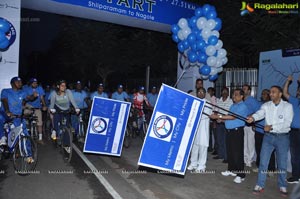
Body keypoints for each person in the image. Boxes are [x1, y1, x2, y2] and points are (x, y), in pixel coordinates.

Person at [247, 86, 293, 197]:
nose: (271, 94)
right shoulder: (266, 105)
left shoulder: (288, 106)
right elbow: (260, 113)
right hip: (268, 137)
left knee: (282, 163)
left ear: (280, 94)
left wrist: (271, 127)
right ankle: (260, 184)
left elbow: (287, 123)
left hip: (283, 137)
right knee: (263, 162)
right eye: (270, 92)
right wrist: (253, 118)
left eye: (273, 92)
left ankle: (282, 185)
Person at [211, 88, 248, 184]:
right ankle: (231, 170)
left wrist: (218, 116)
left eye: (236, 94)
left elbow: (233, 117)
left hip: (237, 132)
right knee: (230, 152)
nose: (233, 96)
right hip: (229, 132)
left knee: (237, 153)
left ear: (241, 96)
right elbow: (229, 118)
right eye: (233, 94)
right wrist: (221, 120)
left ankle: (241, 174)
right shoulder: (232, 105)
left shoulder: (243, 106)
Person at [0, 77, 34, 163]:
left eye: (20, 81)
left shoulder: (22, 92)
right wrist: (7, 111)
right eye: (17, 81)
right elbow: (4, 100)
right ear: (12, 83)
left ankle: (27, 156)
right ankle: (2, 139)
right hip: (6, 114)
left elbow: (28, 98)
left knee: (24, 133)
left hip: (17, 116)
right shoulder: (5, 91)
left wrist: (33, 96)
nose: (20, 83)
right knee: (0, 118)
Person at [187, 87, 212, 172]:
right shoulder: (194, 102)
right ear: (197, 93)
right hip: (195, 129)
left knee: (203, 147)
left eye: (202, 92)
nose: (201, 93)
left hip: (203, 130)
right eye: (199, 92)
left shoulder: (208, 103)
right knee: (194, 146)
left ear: (205, 94)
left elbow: (205, 115)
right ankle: (193, 163)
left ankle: (201, 166)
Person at [253, 89, 276, 174]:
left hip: (268, 132)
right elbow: (256, 115)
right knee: (259, 150)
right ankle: (259, 166)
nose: (263, 95)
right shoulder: (260, 104)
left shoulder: (272, 105)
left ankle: (271, 169)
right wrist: (254, 124)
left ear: (269, 95)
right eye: (262, 94)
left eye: (265, 94)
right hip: (259, 130)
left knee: (270, 151)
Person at [283, 75, 300, 184]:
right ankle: (296, 176)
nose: (298, 91)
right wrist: (288, 82)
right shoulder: (295, 101)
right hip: (294, 132)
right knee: (295, 156)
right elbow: (285, 93)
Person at [24, 78, 47, 144]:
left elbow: (42, 98)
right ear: (31, 83)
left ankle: (40, 138)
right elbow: (27, 98)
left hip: (37, 107)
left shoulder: (40, 88)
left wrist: (44, 105)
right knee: (25, 117)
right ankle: (26, 135)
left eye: (36, 83)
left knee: (40, 123)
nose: (35, 84)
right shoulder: (26, 89)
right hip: (28, 106)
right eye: (34, 83)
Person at [242, 84, 260, 167]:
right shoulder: (241, 100)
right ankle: (245, 159)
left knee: (250, 143)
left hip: (250, 124)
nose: (243, 90)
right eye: (243, 89)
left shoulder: (252, 100)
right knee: (244, 142)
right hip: (243, 124)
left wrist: (251, 116)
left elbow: (258, 111)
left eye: (245, 89)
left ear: (249, 91)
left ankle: (250, 160)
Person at [215, 87, 233, 163]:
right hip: (219, 122)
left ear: (228, 93)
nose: (225, 93)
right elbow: (216, 110)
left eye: (226, 92)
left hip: (227, 122)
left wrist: (223, 119)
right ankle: (220, 155)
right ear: (221, 93)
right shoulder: (218, 100)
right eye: (223, 91)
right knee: (219, 140)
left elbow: (231, 113)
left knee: (226, 141)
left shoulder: (231, 101)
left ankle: (226, 157)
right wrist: (216, 118)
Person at [207, 87, 217, 153]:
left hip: (213, 119)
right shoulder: (208, 98)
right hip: (209, 118)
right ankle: (210, 147)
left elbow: (215, 109)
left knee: (215, 135)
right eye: (208, 91)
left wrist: (214, 121)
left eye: (210, 91)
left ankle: (215, 149)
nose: (208, 93)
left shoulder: (214, 99)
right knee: (209, 134)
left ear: (213, 92)